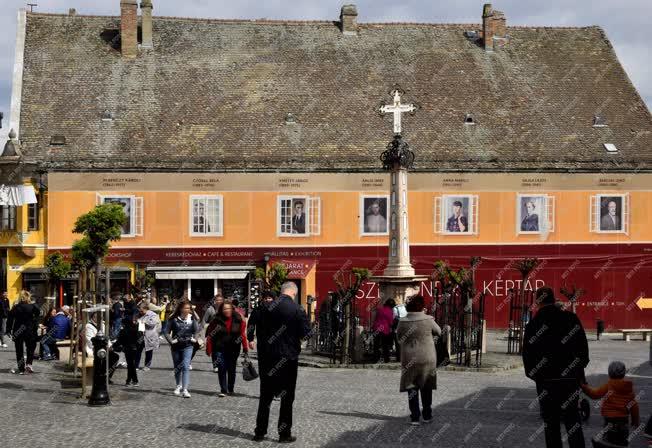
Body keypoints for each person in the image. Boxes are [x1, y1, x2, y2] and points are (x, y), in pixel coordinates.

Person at [523, 286, 589, 448]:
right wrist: (577, 372)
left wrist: (538, 377)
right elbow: (583, 351)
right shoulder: (571, 318)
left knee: (551, 425)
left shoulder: (533, 325)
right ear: (553, 299)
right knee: (572, 421)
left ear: (537, 302)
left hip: (546, 382)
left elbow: (528, 357)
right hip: (569, 380)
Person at [252, 281, 311, 443]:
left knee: (265, 396)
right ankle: (284, 434)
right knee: (287, 397)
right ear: (294, 293)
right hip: (288, 358)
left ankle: (259, 432)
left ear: (282, 291)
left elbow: (254, 326)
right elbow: (307, 334)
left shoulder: (265, 307)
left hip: (267, 357)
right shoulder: (297, 309)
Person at [396, 295, 442, 425]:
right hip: (427, 357)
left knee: (412, 387)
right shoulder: (428, 319)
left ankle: (415, 417)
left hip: (409, 358)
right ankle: (427, 415)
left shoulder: (402, 321)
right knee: (426, 386)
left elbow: (399, 337)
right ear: (422, 306)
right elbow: (439, 331)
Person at [581, 361, 640, 446]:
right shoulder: (628, 389)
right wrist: (635, 421)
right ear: (624, 373)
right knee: (622, 441)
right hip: (623, 422)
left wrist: (584, 387)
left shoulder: (608, 386)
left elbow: (594, 394)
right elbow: (634, 406)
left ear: (609, 373)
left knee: (608, 441)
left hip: (609, 420)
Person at [206, 300, 249, 397]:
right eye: (225, 309)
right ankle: (223, 389)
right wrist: (209, 348)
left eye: (228, 308)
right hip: (219, 348)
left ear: (232, 309)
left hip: (233, 348)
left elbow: (242, 334)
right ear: (221, 310)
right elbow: (210, 334)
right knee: (221, 368)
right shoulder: (216, 319)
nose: (227, 310)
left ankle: (231, 388)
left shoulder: (238, 319)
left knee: (231, 369)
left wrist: (245, 348)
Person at [163, 300, 199, 398]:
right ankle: (178, 385)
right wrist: (171, 341)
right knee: (177, 367)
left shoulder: (192, 319)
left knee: (185, 366)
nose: (187, 310)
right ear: (181, 309)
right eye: (186, 308)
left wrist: (194, 339)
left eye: (189, 308)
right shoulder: (173, 319)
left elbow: (196, 331)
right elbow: (166, 331)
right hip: (176, 346)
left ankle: (185, 390)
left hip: (188, 345)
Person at [8, 290, 40, 374]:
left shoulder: (16, 307)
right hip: (29, 331)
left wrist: (8, 330)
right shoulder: (32, 306)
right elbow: (38, 313)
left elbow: (10, 318)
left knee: (19, 350)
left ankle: (21, 368)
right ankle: (29, 363)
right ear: (28, 297)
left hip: (18, 331)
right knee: (31, 347)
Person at [117, 314, 143, 387]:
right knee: (132, 365)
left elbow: (119, 341)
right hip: (135, 349)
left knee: (130, 365)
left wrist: (113, 346)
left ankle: (130, 380)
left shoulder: (123, 331)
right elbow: (140, 339)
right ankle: (134, 380)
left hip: (128, 349)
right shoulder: (136, 329)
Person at [137, 302, 160, 371]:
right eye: (139, 311)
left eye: (142, 311)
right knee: (138, 351)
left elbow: (153, 323)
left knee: (149, 351)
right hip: (140, 335)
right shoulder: (139, 314)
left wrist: (143, 322)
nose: (140, 312)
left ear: (146, 309)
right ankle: (136, 365)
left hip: (149, 336)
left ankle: (147, 366)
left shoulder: (153, 315)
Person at [372, 298, 395, 363]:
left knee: (376, 345)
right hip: (385, 329)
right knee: (385, 345)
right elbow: (390, 322)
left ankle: (375, 359)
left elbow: (375, 318)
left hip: (376, 328)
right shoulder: (390, 311)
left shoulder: (379, 309)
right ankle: (386, 359)